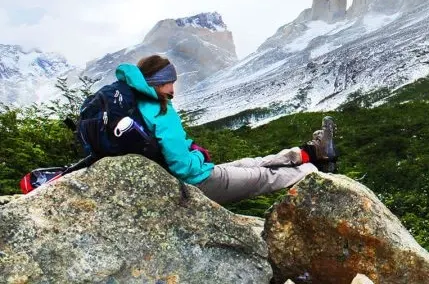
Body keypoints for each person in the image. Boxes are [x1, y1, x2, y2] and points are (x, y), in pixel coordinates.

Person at [115, 54, 337, 205]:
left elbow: (163, 144)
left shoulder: (136, 103)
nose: (173, 89)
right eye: (169, 82)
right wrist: (198, 155)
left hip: (184, 176)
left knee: (249, 163)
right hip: (196, 182)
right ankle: (315, 171)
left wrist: (189, 147)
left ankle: (307, 152)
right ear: (157, 82)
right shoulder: (160, 109)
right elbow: (184, 168)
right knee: (261, 177)